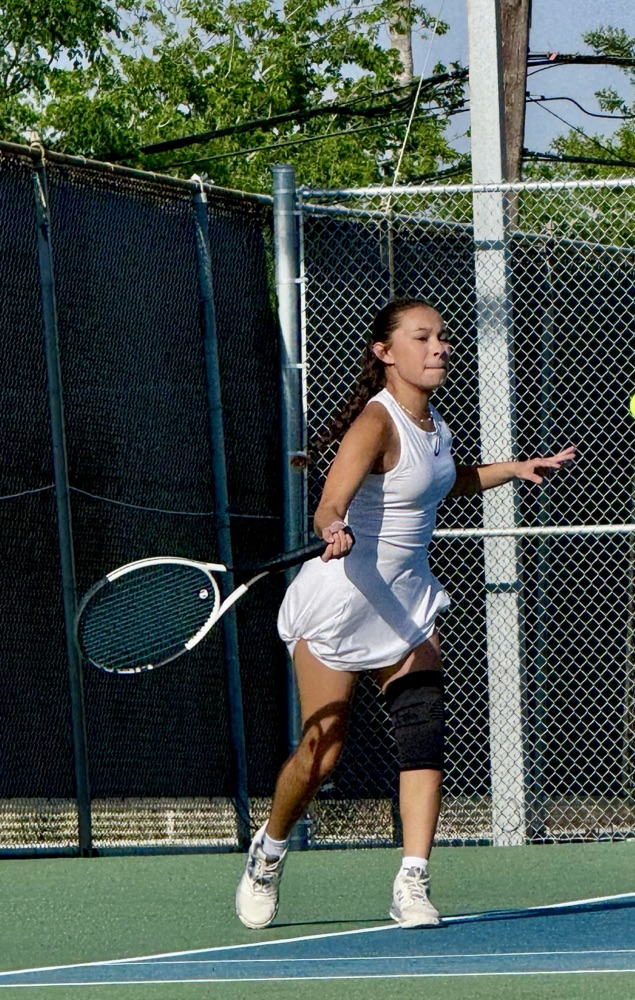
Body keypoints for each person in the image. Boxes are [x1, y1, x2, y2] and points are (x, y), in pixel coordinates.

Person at [236, 298, 576, 930]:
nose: (439, 347)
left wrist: (516, 468)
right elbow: (330, 501)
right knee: (322, 753)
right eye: (422, 338)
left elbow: (444, 479)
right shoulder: (376, 420)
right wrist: (332, 526)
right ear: (385, 352)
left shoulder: (434, 424)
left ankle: (412, 880)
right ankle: (270, 850)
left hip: (408, 606)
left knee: (423, 735)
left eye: (442, 337)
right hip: (342, 603)